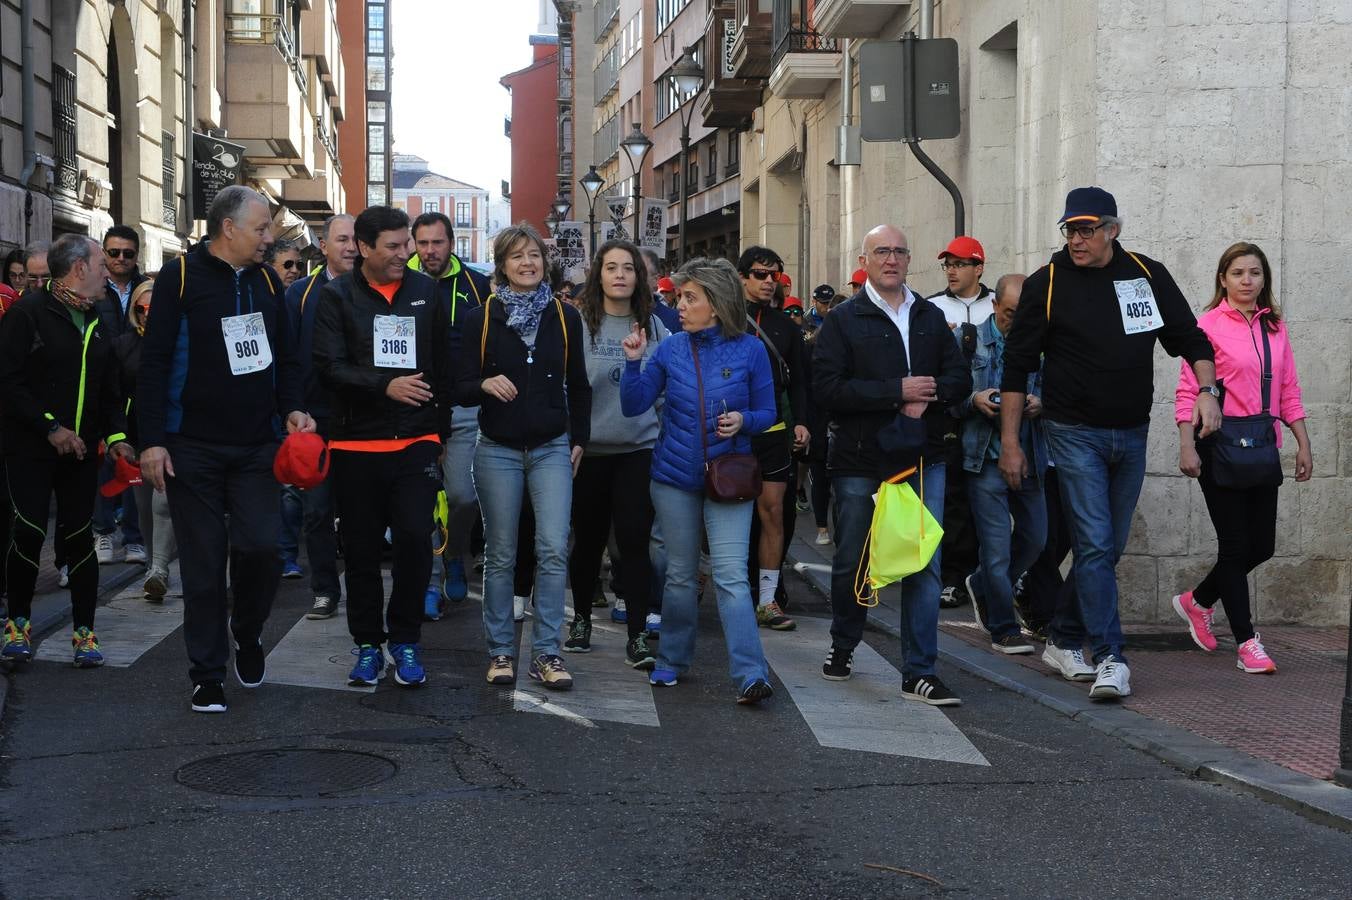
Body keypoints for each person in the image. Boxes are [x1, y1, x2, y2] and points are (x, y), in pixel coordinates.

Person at [999, 186, 1220, 701]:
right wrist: (1012, 442)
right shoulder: (1046, 283)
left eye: (1087, 229)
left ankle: (1064, 635)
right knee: (1096, 544)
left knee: (1107, 548)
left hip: (1133, 434)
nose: (1076, 239)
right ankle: (1110, 657)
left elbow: (1189, 338)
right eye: (1070, 229)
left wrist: (1208, 392)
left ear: (1112, 230)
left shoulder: (1145, 274)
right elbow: (1017, 368)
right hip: (1073, 433)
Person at [138, 185, 313, 714]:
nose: (269, 239)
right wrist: (151, 441)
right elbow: (155, 362)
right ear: (228, 228)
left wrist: (292, 408)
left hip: (258, 443)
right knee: (204, 562)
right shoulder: (180, 278)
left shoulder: (264, 280)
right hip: (192, 446)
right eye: (261, 229)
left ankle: (249, 630)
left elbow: (285, 355)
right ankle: (207, 674)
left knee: (262, 548)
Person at [814, 224, 972, 705]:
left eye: (900, 251)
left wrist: (932, 395)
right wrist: (896, 392)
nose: (892, 259)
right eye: (882, 251)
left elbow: (959, 378)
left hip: (923, 458)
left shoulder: (929, 315)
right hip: (860, 460)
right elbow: (828, 389)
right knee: (853, 560)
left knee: (924, 563)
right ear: (865, 258)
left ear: (909, 259)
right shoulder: (843, 319)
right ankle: (844, 642)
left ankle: (919, 671)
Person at [619, 256, 776, 704]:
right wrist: (633, 363)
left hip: (730, 478)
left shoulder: (751, 349)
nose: (679, 306)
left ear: (717, 302)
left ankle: (750, 674)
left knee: (729, 577)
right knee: (681, 576)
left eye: (690, 298)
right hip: (673, 479)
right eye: (678, 297)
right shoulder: (668, 349)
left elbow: (769, 414)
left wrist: (744, 420)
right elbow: (634, 407)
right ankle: (672, 658)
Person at [313, 205, 452, 688]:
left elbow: (441, 367)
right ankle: (368, 643)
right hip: (356, 443)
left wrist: (442, 434)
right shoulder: (335, 297)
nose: (405, 254)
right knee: (363, 551)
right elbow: (328, 367)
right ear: (364, 248)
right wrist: (383, 385)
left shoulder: (426, 292)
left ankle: (406, 639)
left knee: (416, 540)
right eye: (392, 247)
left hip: (416, 439)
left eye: (406, 244)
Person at [457, 224, 591, 691]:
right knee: (501, 554)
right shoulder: (481, 317)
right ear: (502, 265)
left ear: (545, 261)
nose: (527, 263)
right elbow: (457, 382)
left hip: (553, 445)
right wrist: (482, 385)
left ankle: (547, 653)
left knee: (554, 548)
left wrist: (580, 439)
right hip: (497, 449)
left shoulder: (565, 315)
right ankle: (500, 651)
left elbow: (580, 383)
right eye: (516, 256)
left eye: (533, 254)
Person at [1172, 242, 1310, 674]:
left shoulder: (1275, 327)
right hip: (1219, 444)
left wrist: (1303, 442)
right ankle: (1248, 642)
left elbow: (1288, 388)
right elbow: (1186, 392)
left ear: (1264, 279)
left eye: (1254, 273)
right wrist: (1186, 444)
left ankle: (1197, 601)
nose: (1247, 281)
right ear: (1223, 279)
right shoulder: (1207, 326)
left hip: (1263, 444)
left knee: (1261, 546)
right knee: (1234, 547)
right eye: (1238, 273)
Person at [0, 235, 133, 668]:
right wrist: (50, 427)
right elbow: (8, 383)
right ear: (78, 269)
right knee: (29, 532)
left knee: (79, 539)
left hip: (80, 453)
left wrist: (116, 439)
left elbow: (111, 392)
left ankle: (84, 633)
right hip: (29, 449)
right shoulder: (27, 314)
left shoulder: (98, 319)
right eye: (100, 263)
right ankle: (18, 624)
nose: (106, 272)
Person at [564, 239, 667, 665]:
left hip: (637, 448)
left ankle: (638, 634)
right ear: (598, 274)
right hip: (588, 452)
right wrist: (571, 439)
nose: (620, 274)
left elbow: (664, 389)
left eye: (628, 267)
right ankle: (583, 619)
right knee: (586, 542)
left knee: (633, 543)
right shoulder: (578, 323)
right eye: (611, 267)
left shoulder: (654, 326)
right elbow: (566, 387)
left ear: (638, 277)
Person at [407, 210, 490, 619]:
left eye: (437, 243)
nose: (429, 251)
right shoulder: (398, 282)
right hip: (411, 408)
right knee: (418, 501)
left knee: (461, 496)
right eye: (422, 243)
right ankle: (427, 578)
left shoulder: (478, 285)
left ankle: (455, 551)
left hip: (463, 408)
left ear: (451, 244)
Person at [959, 273, 1044, 655]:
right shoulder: (969, 340)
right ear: (994, 306)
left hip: (1031, 458)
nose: (1015, 321)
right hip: (985, 458)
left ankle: (984, 586)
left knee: (1036, 537)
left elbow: (1056, 388)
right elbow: (947, 391)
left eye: (1023, 314)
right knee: (996, 549)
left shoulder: (1041, 342)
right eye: (1009, 313)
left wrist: (1041, 402)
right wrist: (974, 399)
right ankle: (1002, 626)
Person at [285, 214, 359, 620]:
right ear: (323, 244)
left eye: (355, 239)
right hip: (314, 422)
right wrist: (293, 411)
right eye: (342, 239)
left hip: (363, 424)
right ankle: (325, 590)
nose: (350, 246)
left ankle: (359, 588)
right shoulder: (298, 293)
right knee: (316, 511)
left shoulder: (376, 290)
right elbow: (288, 360)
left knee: (358, 511)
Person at [736, 246, 807, 631]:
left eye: (774, 275)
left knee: (774, 514)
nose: (768, 281)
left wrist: (803, 423)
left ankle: (767, 599)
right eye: (760, 274)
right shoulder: (726, 319)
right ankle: (728, 589)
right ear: (743, 275)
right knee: (724, 512)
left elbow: (800, 382)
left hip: (775, 432)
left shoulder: (786, 327)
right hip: (730, 433)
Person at [927, 236, 995, 611]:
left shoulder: (996, 303)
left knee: (989, 499)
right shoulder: (931, 307)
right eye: (947, 264)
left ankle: (988, 575)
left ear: (978, 268)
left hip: (994, 416)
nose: (952, 270)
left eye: (960, 263)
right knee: (953, 496)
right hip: (951, 415)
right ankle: (952, 577)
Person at [113, 279, 179, 601]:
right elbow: (114, 391)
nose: (148, 314)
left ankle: (160, 568)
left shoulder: (177, 340)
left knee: (163, 501)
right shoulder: (124, 345)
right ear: (135, 312)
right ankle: (155, 565)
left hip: (174, 434)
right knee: (143, 508)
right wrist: (117, 436)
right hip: (138, 436)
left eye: (155, 307)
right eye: (142, 308)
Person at [93, 225, 150, 566]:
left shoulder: (146, 289)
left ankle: (134, 537)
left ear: (136, 256)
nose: (120, 259)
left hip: (137, 384)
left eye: (128, 253)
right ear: (104, 253)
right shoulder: (95, 288)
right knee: (104, 459)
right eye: (114, 252)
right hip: (102, 382)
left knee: (135, 461)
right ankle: (102, 532)